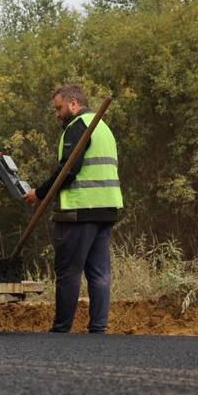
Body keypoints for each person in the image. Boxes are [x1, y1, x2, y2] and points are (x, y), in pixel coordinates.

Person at [24, 85, 123, 334]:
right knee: (99, 273)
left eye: (59, 108)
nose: (57, 114)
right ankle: (98, 329)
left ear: (74, 104)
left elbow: (68, 170)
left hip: (80, 211)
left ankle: (61, 330)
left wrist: (40, 193)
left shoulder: (78, 126)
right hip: (106, 209)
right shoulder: (103, 128)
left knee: (69, 272)